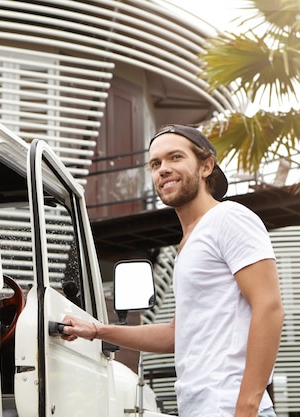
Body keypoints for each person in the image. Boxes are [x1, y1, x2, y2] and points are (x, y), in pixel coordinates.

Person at [62, 124, 284, 417]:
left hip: (229, 406)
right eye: (156, 163)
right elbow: (176, 334)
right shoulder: (188, 243)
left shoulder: (229, 218)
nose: (163, 169)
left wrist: (246, 406)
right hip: (201, 407)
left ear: (206, 167)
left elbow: (269, 307)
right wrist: (95, 330)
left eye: (175, 157)